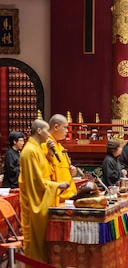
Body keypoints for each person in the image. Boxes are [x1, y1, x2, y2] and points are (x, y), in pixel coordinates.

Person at [19, 119, 70, 263]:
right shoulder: (29, 151)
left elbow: (46, 170)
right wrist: (57, 186)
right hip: (35, 202)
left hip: (44, 198)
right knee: (35, 245)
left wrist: (50, 155)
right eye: (47, 130)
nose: (49, 134)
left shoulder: (38, 148)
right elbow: (36, 182)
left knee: (44, 247)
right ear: (39, 131)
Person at [45, 113, 77, 203]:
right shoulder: (46, 145)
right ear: (56, 127)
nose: (67, 131)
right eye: (65, 127)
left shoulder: (60, 147)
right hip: (58, 198)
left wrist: (71, 171)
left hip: (67, 196)